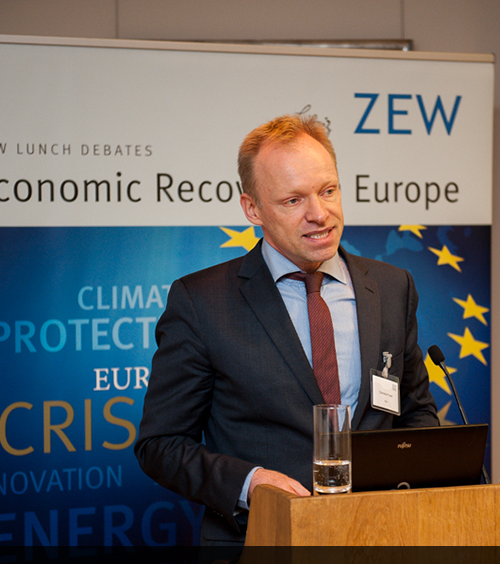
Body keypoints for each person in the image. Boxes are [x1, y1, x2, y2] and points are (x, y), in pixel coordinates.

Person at [135, 114, 438, 545]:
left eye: (328, 190)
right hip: (263, 540)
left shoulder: (392, 287)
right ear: (252, 209)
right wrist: (251, 483)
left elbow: (415, 414)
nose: (320, 214)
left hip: (383, 538)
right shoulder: (201, 302)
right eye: (293, 200)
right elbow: (161, 445)